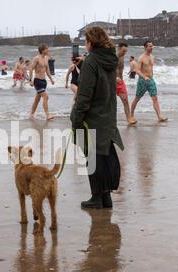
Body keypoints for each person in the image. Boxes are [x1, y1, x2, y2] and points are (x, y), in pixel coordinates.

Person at [70, 26, 124, 209]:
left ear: (91, 42)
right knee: (103, 155)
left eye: (86, 41)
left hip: (92, 117)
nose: (85, 44)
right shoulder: (109, 58)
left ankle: (96, 198)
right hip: (108, 114)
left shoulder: (92, 61)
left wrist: (76, 119)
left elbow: (84, 95)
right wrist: (84, 63)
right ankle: (105, 197)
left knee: (92, 157)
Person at [130, 40, 168, 123]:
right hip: (142, 81)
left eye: (152, 46)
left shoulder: (152, 56)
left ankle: (160, 116)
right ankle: (131, 115)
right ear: (145, 47)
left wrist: (150, 77)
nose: (151, 48)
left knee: (155, 98)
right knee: (137, 98)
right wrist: (144, 77)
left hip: (151, 80)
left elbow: (151, 69)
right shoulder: (141, 58)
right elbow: (137, 71)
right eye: (150, 46)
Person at [29, 44, 55, 120]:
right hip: (37, 81)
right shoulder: (37, 58)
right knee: (46, 96)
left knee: (37, 99)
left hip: (44, 81)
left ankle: (31, 114)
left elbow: (47, 70)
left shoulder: (46, 58)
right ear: (43, 50)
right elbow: (31, 68)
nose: (48, 50)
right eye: (47, 49)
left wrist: (51, 79)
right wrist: (30, 80)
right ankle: (47, 115)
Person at [116, 43, 136, 125]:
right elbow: (107, 69)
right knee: (109, 103)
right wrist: (114, 78)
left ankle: (129, 119)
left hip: (120, 82)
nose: (124, 53)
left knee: (125, 100)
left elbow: (120, 69)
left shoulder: (122, 57)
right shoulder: (112, 57)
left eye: (126, 52)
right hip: (111, 82)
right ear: (119, 48)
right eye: (123, 51)